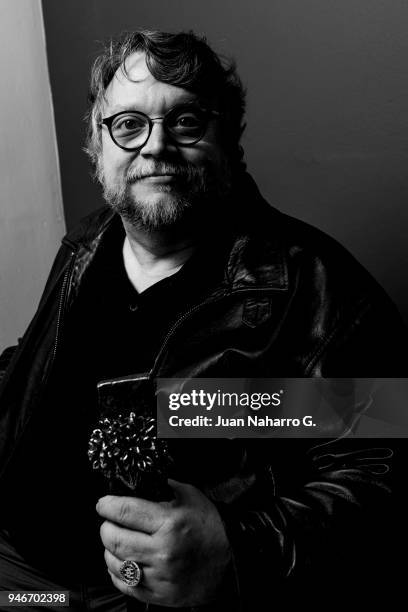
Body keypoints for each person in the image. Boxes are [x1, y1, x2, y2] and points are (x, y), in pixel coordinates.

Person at [0, 30, 406, 611]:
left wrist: (239, 550)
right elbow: (37, 362)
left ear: (228, 139)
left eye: (186, 122)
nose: (155, 146)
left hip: (144, 601)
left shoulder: (315, 286)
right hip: (22, 578)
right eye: (129, 124)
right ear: (97, 142)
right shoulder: (86, 244)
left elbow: (383, 473)